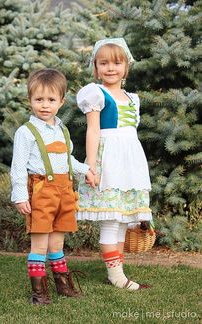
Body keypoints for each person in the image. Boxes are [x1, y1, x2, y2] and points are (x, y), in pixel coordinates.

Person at [10, 68, 95, 305]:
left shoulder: (62, 130)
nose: (44, 105)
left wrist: (86, 170)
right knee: (40, 243)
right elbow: (18, 167)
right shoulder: (26, 133)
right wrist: (19, 195)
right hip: (41, 192)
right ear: (30, 101)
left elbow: (69, 160)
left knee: (57, 242)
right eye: (39, 99)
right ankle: (39, 293)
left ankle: (63, 285)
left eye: (51, 100)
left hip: (64, 191)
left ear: (61, 101)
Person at [76, 38, 152, 290]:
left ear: (126, 67)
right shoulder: (96, 94)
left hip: (129, 161)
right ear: (95, 67)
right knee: (111, 220)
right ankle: (116, 276)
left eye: (117, 63)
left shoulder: (132, 99)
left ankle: (117, 273)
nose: (110, 68)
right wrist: (92, 167)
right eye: (103, 63)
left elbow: (130, 134)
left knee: (120, 220)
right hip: (108, 159)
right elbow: (93, 132)